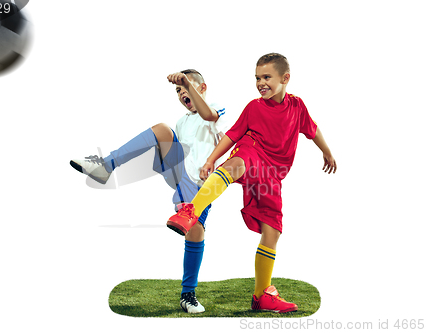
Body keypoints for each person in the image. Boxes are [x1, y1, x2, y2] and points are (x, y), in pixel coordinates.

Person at [167, 53, 337, 313]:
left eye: (266, 77)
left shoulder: (297, 106)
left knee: (273, 230)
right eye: (257, 78)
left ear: (285, 78)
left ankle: (261, 295)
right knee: (238, 162)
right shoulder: (254, 107)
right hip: (253, 150)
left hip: (273, 172)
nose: (261, 83)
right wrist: (212, 159)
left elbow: (312, 130)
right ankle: (191, 210)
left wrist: (327, 152)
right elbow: (233, 135)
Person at [70, 69, 229, 313]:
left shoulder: (216, 108)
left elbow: (208, 115)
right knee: (163, 129)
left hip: (201, 184)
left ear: (203, 88)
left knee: (195, 232)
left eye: (187, 87)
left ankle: (188, 294)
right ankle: (106, 166)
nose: (181, 92)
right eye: (178, 90)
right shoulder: (182, 121)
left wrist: (186, 81)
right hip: (178, 172)